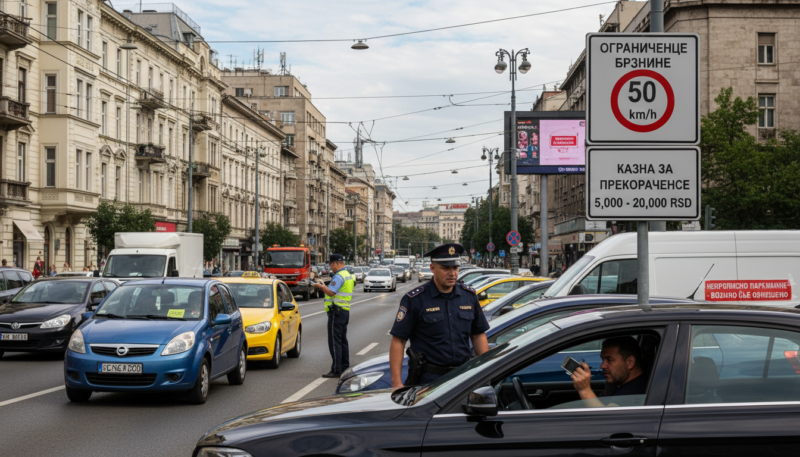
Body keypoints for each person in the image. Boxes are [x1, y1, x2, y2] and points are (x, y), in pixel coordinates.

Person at [389, 243, 490, 388]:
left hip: (463, 377)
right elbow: (398, 341)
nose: (452, 273)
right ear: (432, 268)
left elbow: (478, 335)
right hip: (428, 380)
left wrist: (485, 374)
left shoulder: (469, 297)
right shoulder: (415, 299)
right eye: (445, 268)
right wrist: (396, 384)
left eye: (455, 268)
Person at [570, 336, 648, 407]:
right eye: (603, 360)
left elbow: (605, 419)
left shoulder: (636, 392)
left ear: (630, 362)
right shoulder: (621, 383)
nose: (602, 366)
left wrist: (585, 390)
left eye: (609, 360)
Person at [313, 254, 355, 378]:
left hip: (336, 312)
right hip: (344, 311)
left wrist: (320, 286)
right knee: (342, 340)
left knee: (334, 341)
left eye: (331, 265)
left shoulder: (339, 276)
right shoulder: (348, 275)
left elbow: (331, 292)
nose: (331, 267)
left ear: (336, 263)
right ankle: (345, 367)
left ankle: (337, 369)